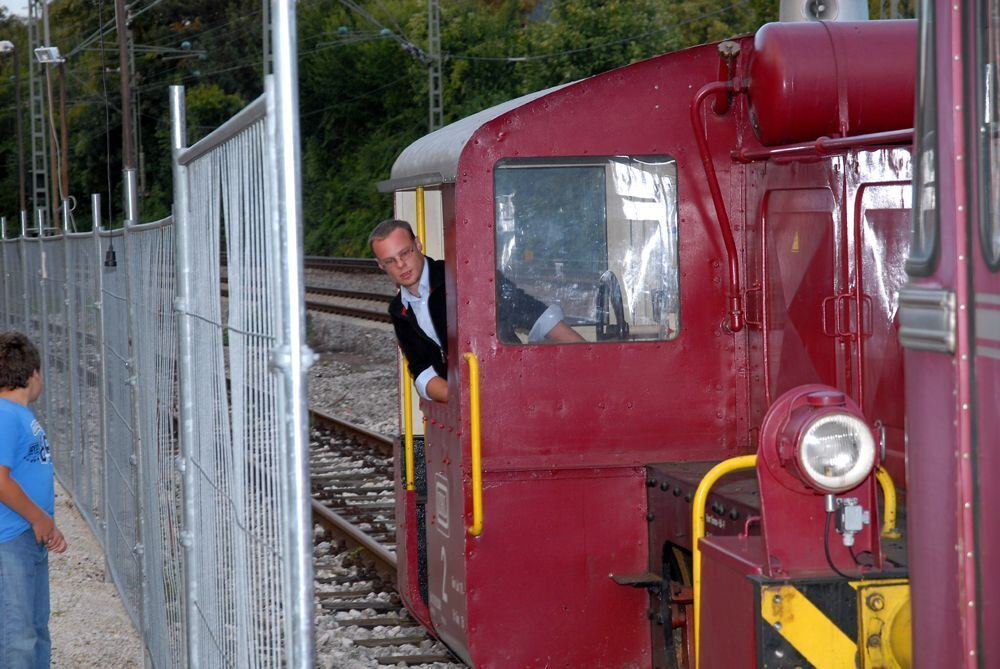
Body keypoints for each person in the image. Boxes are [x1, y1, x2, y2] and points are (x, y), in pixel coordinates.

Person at [370, 219, 582, 403]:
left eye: (405, 253)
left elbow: (531, 312)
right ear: (381, 265)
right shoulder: (399, 311)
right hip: (466, 408)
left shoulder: (463, 275)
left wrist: (585, 354)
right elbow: (422, 371)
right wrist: (465, 400)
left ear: (418, 244)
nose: (401, 265)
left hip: (513, 387)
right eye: (390, 261)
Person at [0, 331, 67, 669]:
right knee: (17, 637)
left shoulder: (18, 414)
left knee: (36, 626)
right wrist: (40, 518)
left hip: (28, 537)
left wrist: (43, 522)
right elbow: (0, 479)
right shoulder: (5, 415)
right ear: (33, 374)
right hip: (10, 541)